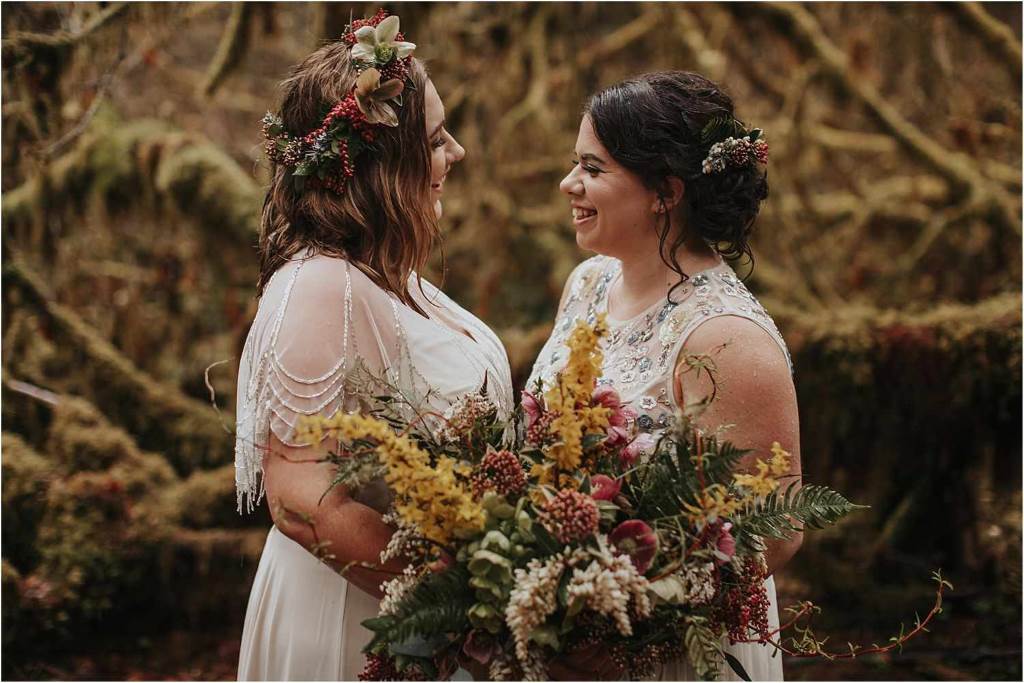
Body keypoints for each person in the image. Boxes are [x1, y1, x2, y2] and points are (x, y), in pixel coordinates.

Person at [233, 12, 513, 680]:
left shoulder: (390, 279)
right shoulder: (322, 288)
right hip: (353, 622)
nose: (457, 154)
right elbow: (301, 500)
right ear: (385, 165)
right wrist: (469, 592)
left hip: (416, 625)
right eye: (437, 138)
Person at [527, 71, 802, 681]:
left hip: (672, 650)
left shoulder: (726, 338)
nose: (569, 183)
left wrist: (630, 618)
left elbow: (773, 531)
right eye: (576, 163)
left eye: (594, 169)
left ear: (665, 192)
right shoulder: (589, 282)